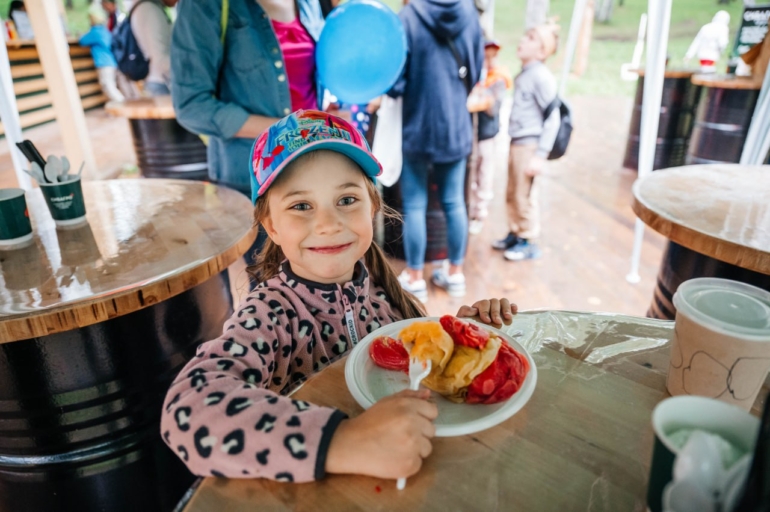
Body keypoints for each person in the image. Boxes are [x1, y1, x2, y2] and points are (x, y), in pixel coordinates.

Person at [160, 110, 517, 482]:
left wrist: (463, 341)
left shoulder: (390, 298)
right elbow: (187, 408)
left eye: (346, 199)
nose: (329, 224)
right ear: (272, 226)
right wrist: (342, 442)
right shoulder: (268, 316)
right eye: (301, 206)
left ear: (372, 206)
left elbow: (418, 379)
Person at [171, 0, 328, 277]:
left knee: (325, 277)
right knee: (275, 289)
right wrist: (287, 131)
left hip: (313, 168)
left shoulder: (309, 4)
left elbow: (307, 82)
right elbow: (191, 105)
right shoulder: (205, 6)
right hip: (256, 180)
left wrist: (326, 115)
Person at [389, 0, 484, 302]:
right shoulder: (468, 12)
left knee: (415, 204)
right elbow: (476, 69)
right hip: (455, 123)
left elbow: (395, 80)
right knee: (455, 202)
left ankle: (415, 277)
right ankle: (455, 274)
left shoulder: (406, 16)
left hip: (416, 124)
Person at [492, 22, 559, 262]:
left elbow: (553, 117)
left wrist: (540, 154)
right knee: (512, 191)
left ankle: (529, 240)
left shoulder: (541, 77)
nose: (523, 41)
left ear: (542, 52)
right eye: (525, 35)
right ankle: (516, 231)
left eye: (531, 38)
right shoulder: (526, 74)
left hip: (529, 145)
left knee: (524, 194)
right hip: (516, 142)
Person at [468, 40, 511, 236]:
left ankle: (480, 213)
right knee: (473, 172)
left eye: (493, 55)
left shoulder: (498, 79)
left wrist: (482, 90)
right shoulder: (474, 75)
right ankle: (471, 209)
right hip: (471, 133)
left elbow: (492, 108)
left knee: (485, 171)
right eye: (486, 56)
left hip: (487, 134)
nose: (490, 60)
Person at [79, 4, 125, 102]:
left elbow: (82, 41)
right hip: (112, 62)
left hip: (104, 63)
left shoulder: (96, 31)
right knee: (111, 86)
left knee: (109, 87)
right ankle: (118, 108)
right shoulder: (105, 31)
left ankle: (122, 106)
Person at [132, 0, 177, 96]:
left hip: (159, 79)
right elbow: (159, 58)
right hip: (161, 81)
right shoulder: (149, 10)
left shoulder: (149, 8)